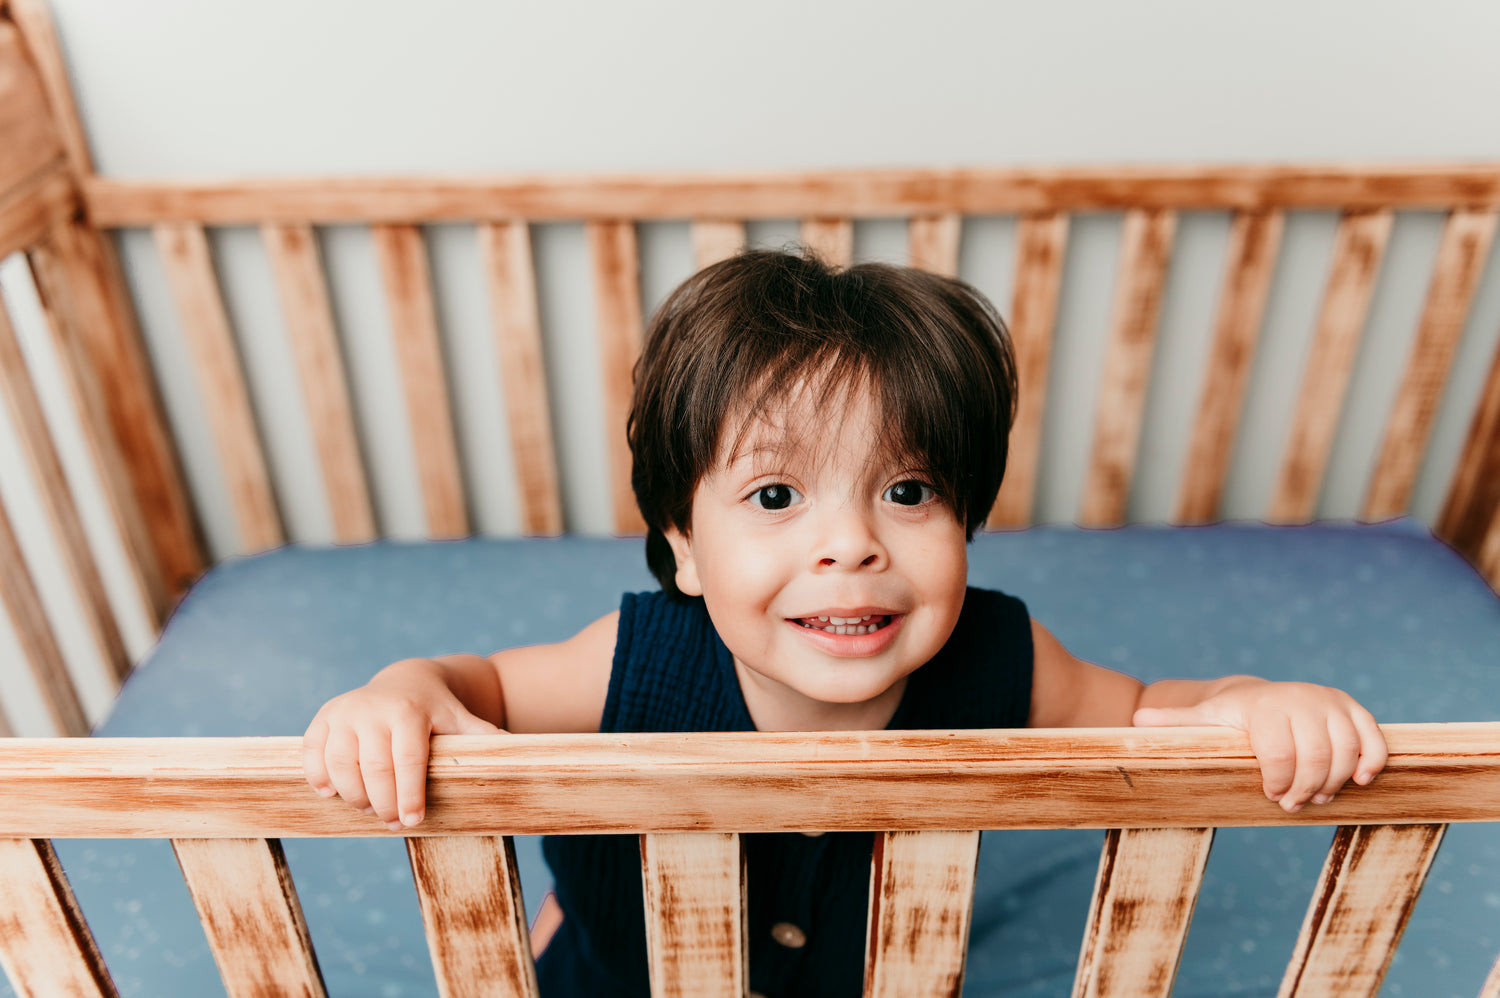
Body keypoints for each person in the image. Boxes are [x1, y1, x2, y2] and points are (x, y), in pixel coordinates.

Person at [302, 249, 1387, 997]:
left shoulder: (1000, 659)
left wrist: (1251, 703)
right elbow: (475, 686)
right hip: (616, 976)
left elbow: (1153, 711)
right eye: (776, 497)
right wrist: (399, 695)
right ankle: (562, 918)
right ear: (683, 543)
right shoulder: (640, 660)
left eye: (907, 491)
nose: (852, 543)